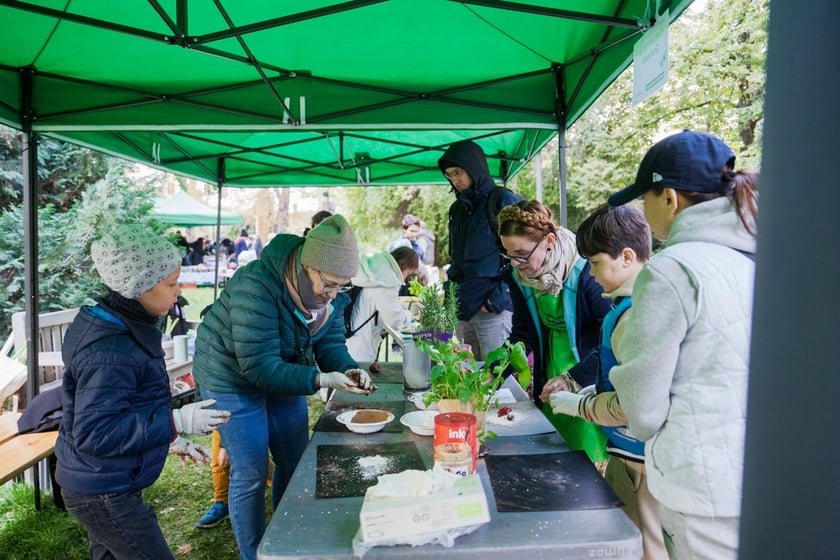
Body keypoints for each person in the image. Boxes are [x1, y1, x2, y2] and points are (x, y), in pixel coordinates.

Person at [605, 130, 758, 560]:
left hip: (699, 485)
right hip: (758, 477)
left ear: (668, 198)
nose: (643, 209)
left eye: (645, 198)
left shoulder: (671, 270)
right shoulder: (753, 258)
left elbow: (643, 411)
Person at [192, 213, 374, 560]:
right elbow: (259, 367)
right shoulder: (256, 285)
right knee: (251, 470)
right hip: (229, 377)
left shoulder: (330, 296)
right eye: (329, 284)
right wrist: (319, 378)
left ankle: (285, 542)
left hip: (282, 370)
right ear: (307, 266)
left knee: (295, 460)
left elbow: (330, 345)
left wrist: (349, 370)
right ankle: (253, 554)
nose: (333, 295)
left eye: (342, 286)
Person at [54, 224, 229, 560]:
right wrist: (175, 420)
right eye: (171, 284)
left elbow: (122, 405)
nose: (179, 291)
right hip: (103, 489)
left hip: (99, 480)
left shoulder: (121, 325)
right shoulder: (110, 350)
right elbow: (95, 433)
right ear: (138, 287)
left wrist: (169, 438)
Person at [549, 204, 666, 560]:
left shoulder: (634, 315)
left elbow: (632, 406)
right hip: (631, 456)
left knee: (642, 547)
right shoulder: (631, 303)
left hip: (638, 463)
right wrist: (592, 389)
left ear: (627, 257)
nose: (590, 271)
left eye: (596, 262)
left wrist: (580, 405)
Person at [497, 200, 612, 462]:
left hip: (588, 373)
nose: (515, 263)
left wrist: (572, 378)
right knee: (555, 451)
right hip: (550, 371)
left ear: (548, 240)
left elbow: (610, 340)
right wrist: (492, 373)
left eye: (522, 253)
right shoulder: (520, 277)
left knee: (587, 456)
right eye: (508, 254)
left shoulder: (586, 272)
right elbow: (522, 334)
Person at [438, 139, 523, 360]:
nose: (454, 179)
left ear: (474, 168)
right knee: (470, 380)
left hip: (492, 310)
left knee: (498, 381)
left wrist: (497, 300)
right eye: (449, 174)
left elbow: (525, 253)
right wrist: (451, 297)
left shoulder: (502, 199)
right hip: (463, 309)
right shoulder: (457, 208)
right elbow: (457, 260)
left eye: (458, 172)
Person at [346, 246, 419, 362]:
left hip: (351, 338)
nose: (406, 278)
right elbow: (395, 320)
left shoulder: (376, 269)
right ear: (404, 266)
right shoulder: (387, 281)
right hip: (361, 349)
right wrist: (410, 315)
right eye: (409, 273)